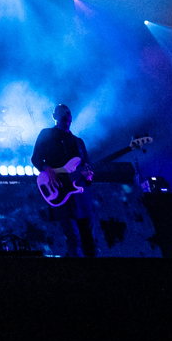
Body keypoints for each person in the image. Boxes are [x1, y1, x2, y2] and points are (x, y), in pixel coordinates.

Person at [32, 103, 101, 257]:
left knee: (90, 240)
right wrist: (46, 168)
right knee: (73, 239)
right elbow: (36, 158)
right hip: (62, 193)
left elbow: (86, 166)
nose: (66, 116)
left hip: (81, 196)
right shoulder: (46, 134)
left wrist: (89, 177)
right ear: (54, 116)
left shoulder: (78, 142)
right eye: (62, 113)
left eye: (68, 113)